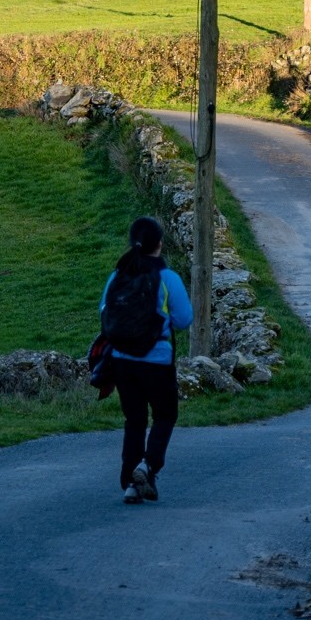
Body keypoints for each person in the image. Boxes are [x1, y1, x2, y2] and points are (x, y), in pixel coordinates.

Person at [100, 216, 193, 505]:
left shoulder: (117, 275)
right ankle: (148, 465)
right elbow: (183, 319)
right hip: (157, 360)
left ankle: (131, 484)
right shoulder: (168, 278)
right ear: (160, 244)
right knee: (165, 416)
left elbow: (104, 311)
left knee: (135, 420)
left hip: (121, 360)